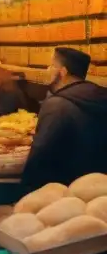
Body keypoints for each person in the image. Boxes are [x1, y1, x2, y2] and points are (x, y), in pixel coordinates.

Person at [22, 47, 107, 192]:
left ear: (63, 72)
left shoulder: (57, 105)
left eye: (51, 65)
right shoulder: (101, 97)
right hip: (99, 189)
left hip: (65, 191)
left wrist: (25, 190)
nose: (47, 70)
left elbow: (40, 157)